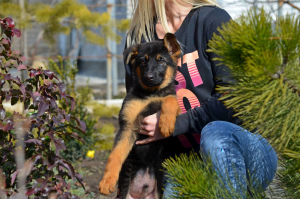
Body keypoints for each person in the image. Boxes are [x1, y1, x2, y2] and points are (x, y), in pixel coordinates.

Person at [124, 0, 278, 198]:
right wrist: (138, 176)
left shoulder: (214, 21)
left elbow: (234, 101)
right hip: (186, 166)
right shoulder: (139, 38)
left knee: (215, 134)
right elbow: (139, 115)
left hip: (245, 154)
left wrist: (173, 123)